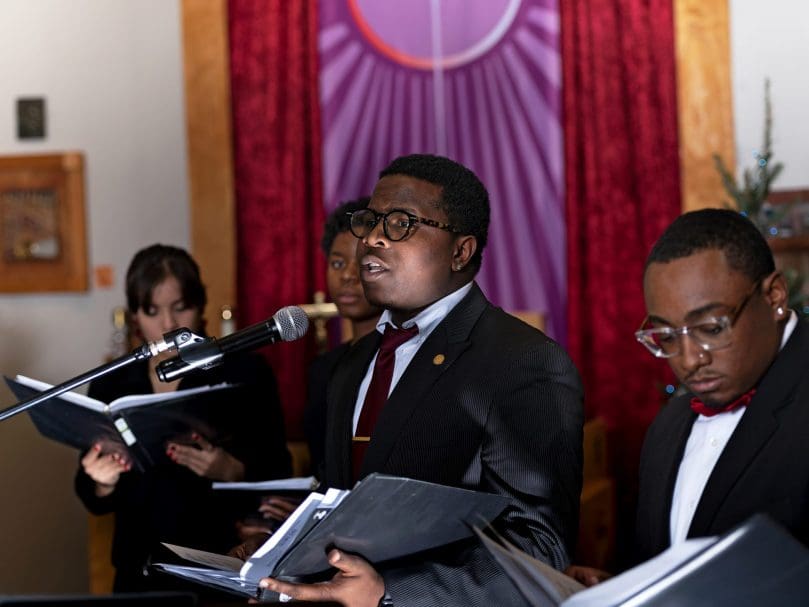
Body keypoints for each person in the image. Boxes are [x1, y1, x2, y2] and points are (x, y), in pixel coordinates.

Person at [259, 154, 584, 606]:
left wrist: (390, 594)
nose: (372, 238)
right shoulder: (351, 364)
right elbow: (343, 509)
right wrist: (275, 557)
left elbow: (538, 550)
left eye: (400, 223)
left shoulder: (522, 362)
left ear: (460, 251)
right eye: (370, 220)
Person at [75, 244, 292, 592]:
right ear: (135, 316)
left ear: (200, 307)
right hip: (137, 572)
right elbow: (89, 493)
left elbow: (279, 475)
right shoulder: (112, 382)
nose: (168, 325)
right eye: (152, 311)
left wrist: (230, 471)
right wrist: (103, 481)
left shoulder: (245, 372)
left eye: (181, 308)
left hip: (219, 568)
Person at [633, 208, 809, 562]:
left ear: (774, 296)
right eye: (667, 336)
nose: (688, 360)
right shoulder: (666, 428)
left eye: (712, 329)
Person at [303, 197, 383, 477]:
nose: (348, 276)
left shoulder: (400, 359)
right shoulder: (323, 369)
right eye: (337, 263)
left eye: (362, 264)